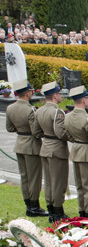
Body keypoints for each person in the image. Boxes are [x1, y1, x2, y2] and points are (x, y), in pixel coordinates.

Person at [6, 80, 47, 217]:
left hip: (19, 143)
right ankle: (34, 206)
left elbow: (10, 128)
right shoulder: (30, 109)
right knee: (34, 177)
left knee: (24, 177)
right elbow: (36, 131)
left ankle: (28, 204)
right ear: (28, 92)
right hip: (31, 145)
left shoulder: (10, 108)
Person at [34, 82, 69, 222]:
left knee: (48, 181)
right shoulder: (57, 112)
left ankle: (50, 208)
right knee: (59, 182)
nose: (60, 96)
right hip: (57, 149)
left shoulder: (39, 110)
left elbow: (36, 131)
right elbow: (61, 133)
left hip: (45, 147)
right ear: (54, 95)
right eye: (59, 93)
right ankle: (58, 211)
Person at [64, 86, 88, 220]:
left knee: (80, 186)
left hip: (76, 151)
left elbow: (68, 135)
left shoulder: (67, 117)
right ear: (84, 100)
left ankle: (82, 212)